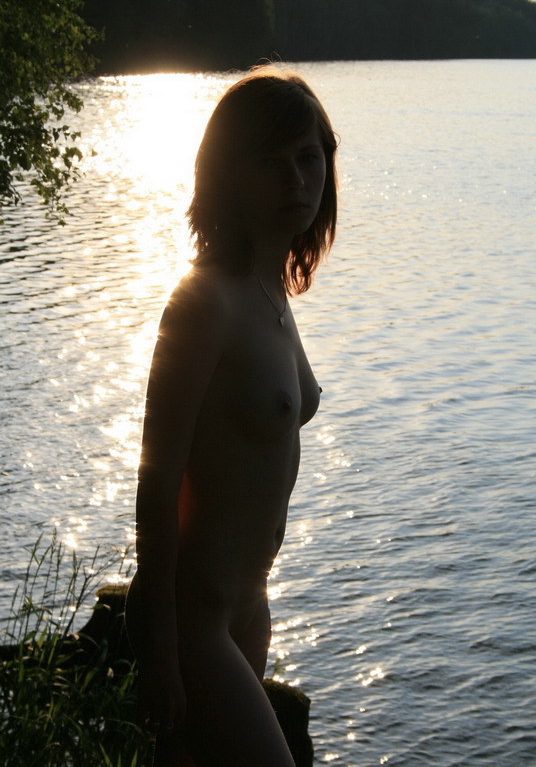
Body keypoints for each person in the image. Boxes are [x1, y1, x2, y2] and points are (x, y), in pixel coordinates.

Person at [125, 65, 338, 766]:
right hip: (196, 620)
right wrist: (160, 647)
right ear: (230, 174)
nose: (296, 180)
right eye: (272, 162)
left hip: (249, 607)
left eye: (309, 158)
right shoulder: (205, 302)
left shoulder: (272, 293)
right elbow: (157, 482)